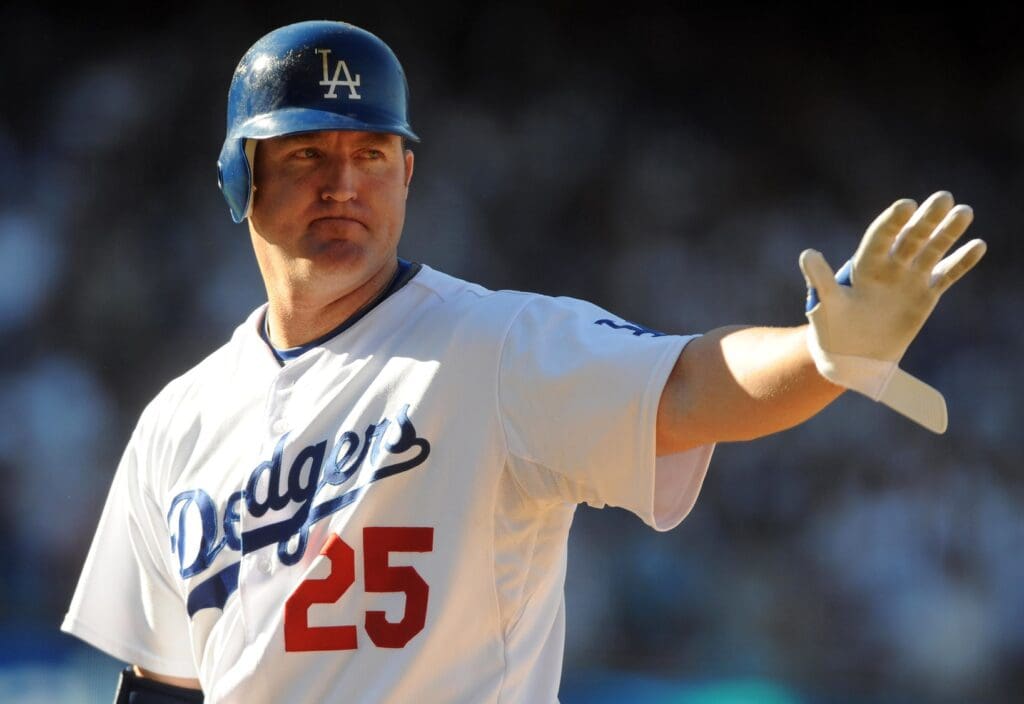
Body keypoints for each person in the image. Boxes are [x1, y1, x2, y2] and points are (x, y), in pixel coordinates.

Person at [60, 19, 987, 704]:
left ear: (407, 174)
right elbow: (163, 685)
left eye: (372, 152)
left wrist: (824, 352)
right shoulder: (177, 421)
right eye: (307, 153)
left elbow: (693, 383)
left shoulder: (495, 346)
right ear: (240, 177)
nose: (344, 183)